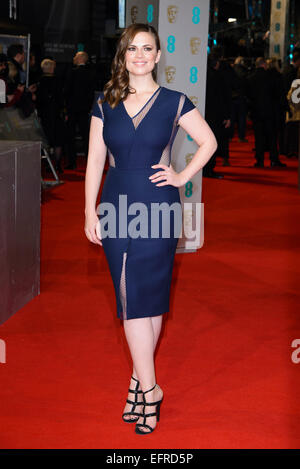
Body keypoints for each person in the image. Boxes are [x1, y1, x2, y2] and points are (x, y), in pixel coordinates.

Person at [84, 23, 217, 435]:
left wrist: (181, 175)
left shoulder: (175, 101)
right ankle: (149, 385)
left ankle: (143, 384)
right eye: (132, 49)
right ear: (123, 56)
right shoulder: (105, 102)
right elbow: (93, 161)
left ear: (159, 55)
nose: (139, 55)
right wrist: (89, 210)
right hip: (117, 203)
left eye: (147, 48)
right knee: (129, 293)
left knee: (150, 296)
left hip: (159, 207)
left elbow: (208, 142)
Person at [246, 57, 286, 167]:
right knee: (272, 137)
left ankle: (260, 161)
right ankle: (274, 159)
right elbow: (277, 95)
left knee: (259, 138)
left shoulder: (251, 79)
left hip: (256, 112)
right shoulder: (272, 77)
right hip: (270, 112)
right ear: (264, 65)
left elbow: (248, 96)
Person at [64, 51, 97, 169]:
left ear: (80, 59)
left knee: (70, 136)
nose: (73, 58)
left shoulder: (72, 73)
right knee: (86, 136)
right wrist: (88, 107)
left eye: (75, 56)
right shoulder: (90, 73)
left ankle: (72, 162)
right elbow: (91, 93)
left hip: (72, 109)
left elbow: (67, 91)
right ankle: (90, 162)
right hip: (84, 109)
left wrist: (66, 108)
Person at [203, 53, 231, 177]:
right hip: (215, 116)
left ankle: (206, 169)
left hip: (203, 113)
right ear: (217, 64)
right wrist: (227, 116)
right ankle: (209, 169)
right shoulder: (218, 77)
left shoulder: (204, 75)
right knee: (212, 143)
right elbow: (222, 98)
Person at [36, 58, 65, 173]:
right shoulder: (58, 81)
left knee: (45, 138)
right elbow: (61, 98)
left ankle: (47, 165)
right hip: (56, 113)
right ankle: (57, 164)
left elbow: (39, 100)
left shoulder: (39, 81)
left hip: (45, 114)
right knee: (58, 139)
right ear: (52, 68)